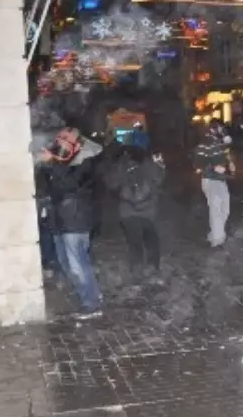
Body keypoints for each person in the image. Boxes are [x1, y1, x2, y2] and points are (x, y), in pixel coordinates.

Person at [41, 127, 104, 315]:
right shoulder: (63, 163)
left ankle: (91, 303)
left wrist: (52, 162)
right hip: (61, 222)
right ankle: (92, 294)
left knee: (77, 265)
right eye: (60, 143)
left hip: (75, 222)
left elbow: (68, 185)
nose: (61, 148)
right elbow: (51, 187)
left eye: (65, 143)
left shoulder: (86, 163)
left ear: (77, 144)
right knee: (68, 264)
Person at [107, 145, 165, 278]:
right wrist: (160, 164)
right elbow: (160, 180)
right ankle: (152, 265)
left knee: (134, 241)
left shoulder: (119, 167)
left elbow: (111, 185)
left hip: (128, 212)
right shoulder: (149, 164)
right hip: (149, 211)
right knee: (151, 239)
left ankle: (137, 266)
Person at [195, 119, 234, 247]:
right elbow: (197, 166)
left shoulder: (219, 144)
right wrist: (212, 168)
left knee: (225, 210)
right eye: (220, 129)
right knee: (216, 209)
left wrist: (230, 164)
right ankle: (217, 240)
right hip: (210, 180)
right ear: (213, 129)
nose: (222, 132)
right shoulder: (204, 144)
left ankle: (215, 234)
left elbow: (227, 153)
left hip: (221, 180)